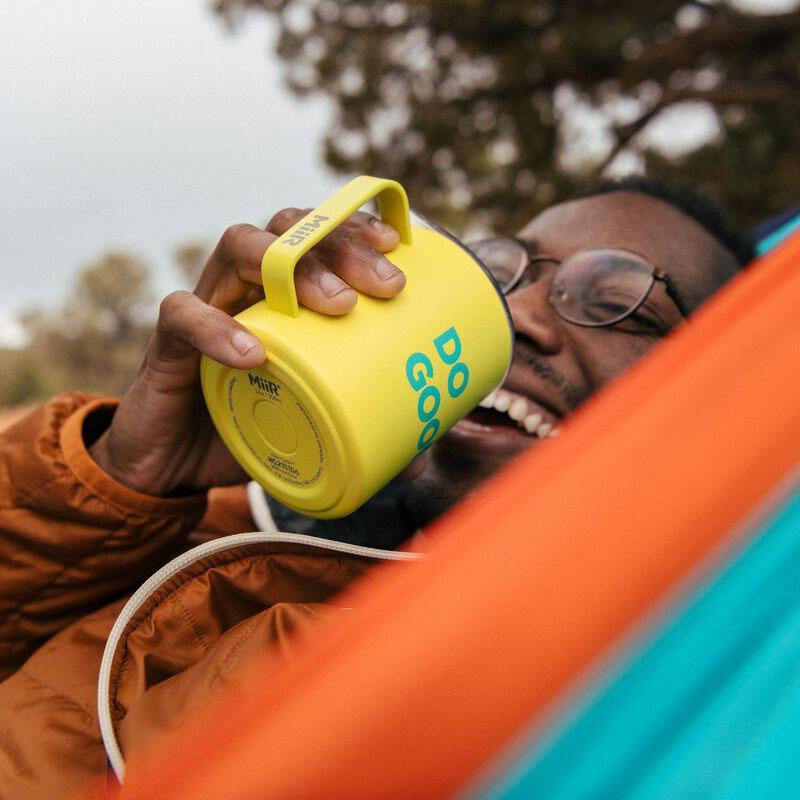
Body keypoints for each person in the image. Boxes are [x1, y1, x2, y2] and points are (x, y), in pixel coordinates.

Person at [0, 178, 755, 798]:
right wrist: (120, 483)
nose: (518, 313)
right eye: (500, 270)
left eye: (617, 299)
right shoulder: (238, 532)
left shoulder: (647, 707)